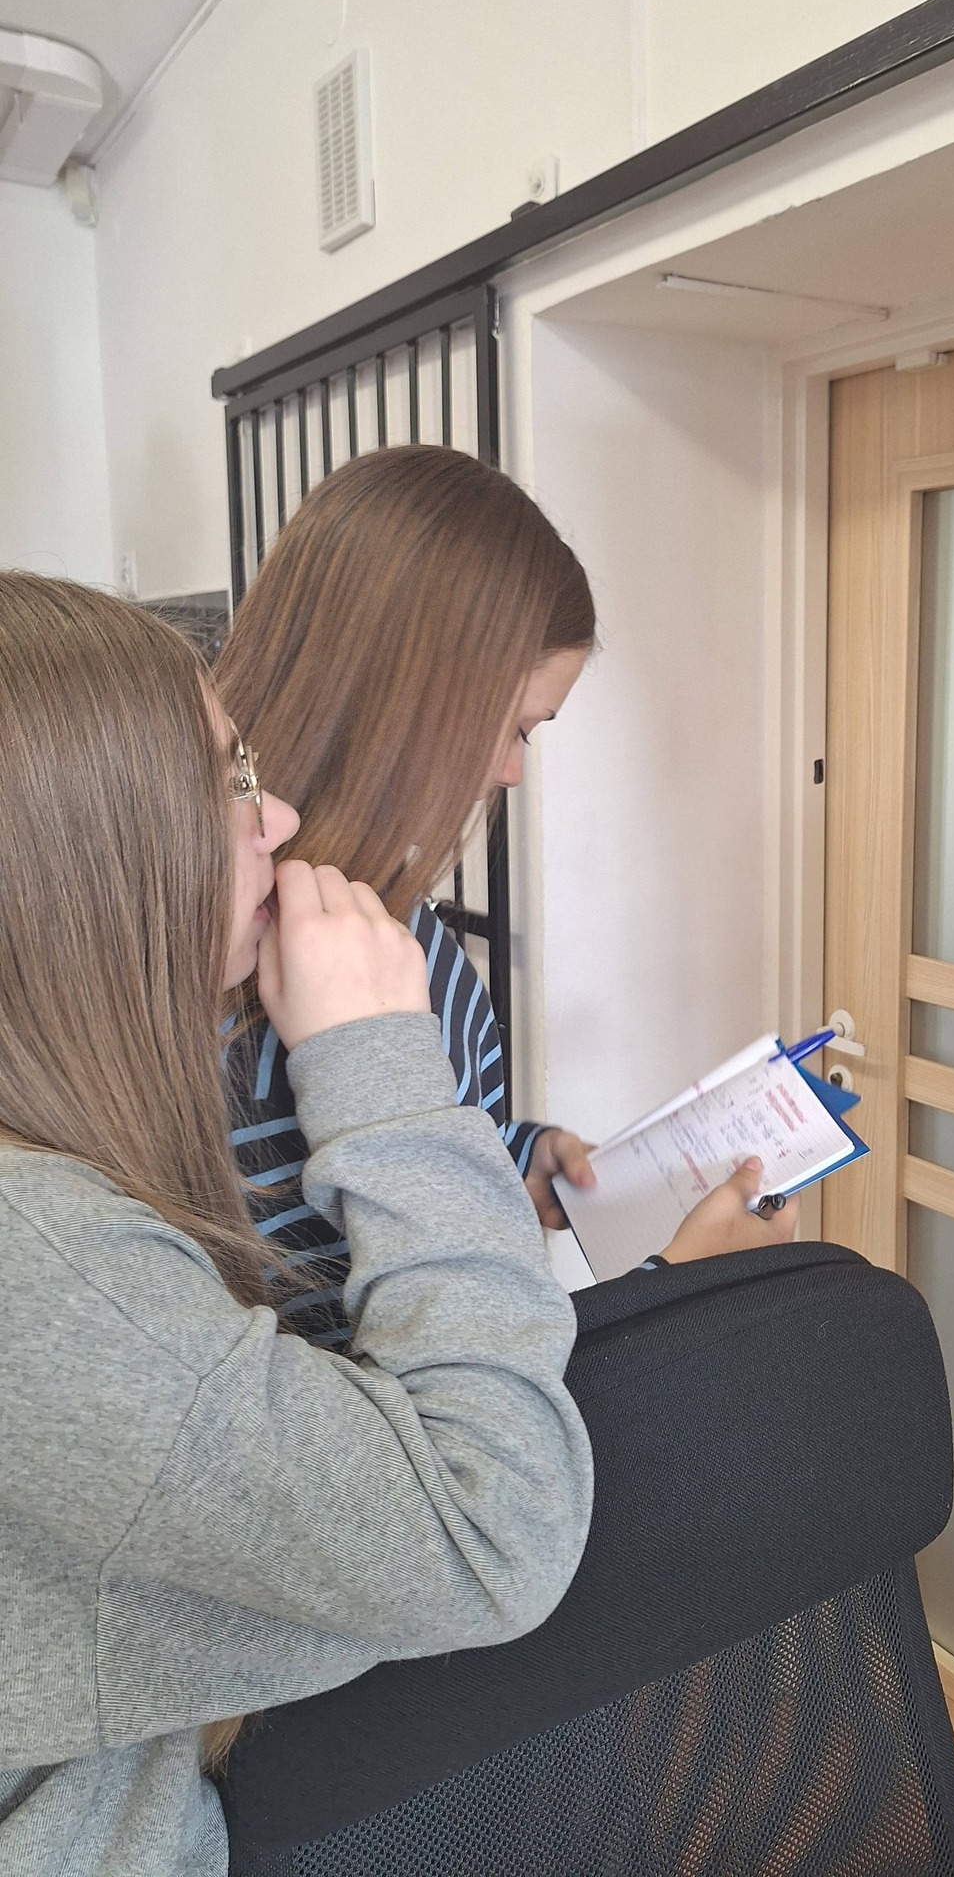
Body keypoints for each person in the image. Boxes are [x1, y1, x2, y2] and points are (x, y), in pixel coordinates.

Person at [0, 572, 594, 1876]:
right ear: (88, 850)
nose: (273, 816)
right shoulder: (42, 1262)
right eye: (224, 782)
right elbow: (492, 1527)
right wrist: (385, 1067)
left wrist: (510, 1159)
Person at [215, 445, 793, 1333]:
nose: (512, 771)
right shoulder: (262, 982)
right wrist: (677, 1284)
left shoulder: (368, 913)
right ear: (407, 700)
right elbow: (403, 1392)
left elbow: (399, 1177)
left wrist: (510, 1158)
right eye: (513, 728)